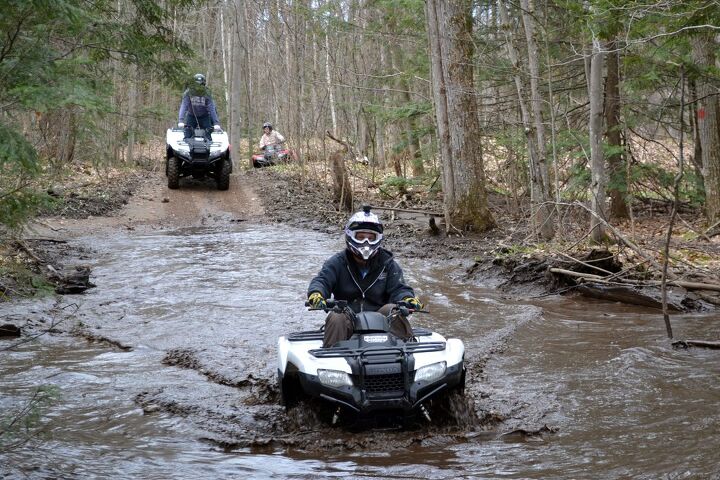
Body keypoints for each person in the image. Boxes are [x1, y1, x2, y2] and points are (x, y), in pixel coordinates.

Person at [306, 206, 423, 348]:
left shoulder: (388, 264)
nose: (366, 242)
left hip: (380, 317)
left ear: (378, 238)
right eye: (360, 237)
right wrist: (316, 294)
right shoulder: (336, 262)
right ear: (350, 236)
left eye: (370, 237)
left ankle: (409, 352)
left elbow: (399, 289)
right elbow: (322, 281)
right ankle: (330, 356)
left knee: (395, 310)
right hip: (347, 314)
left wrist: (407, 299)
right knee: (336, 315)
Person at [178, 73, 221, 140]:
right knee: (187, 135)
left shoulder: (207, 93)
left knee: (208, 135)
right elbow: (184, 106)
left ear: (203, 84)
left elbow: (212, 108)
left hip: (205, 117)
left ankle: (208, 149)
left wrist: (216, 123)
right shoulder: (188, 92)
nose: (198, 87)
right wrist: (181, 120)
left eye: (200, 85)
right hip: (191, 116)